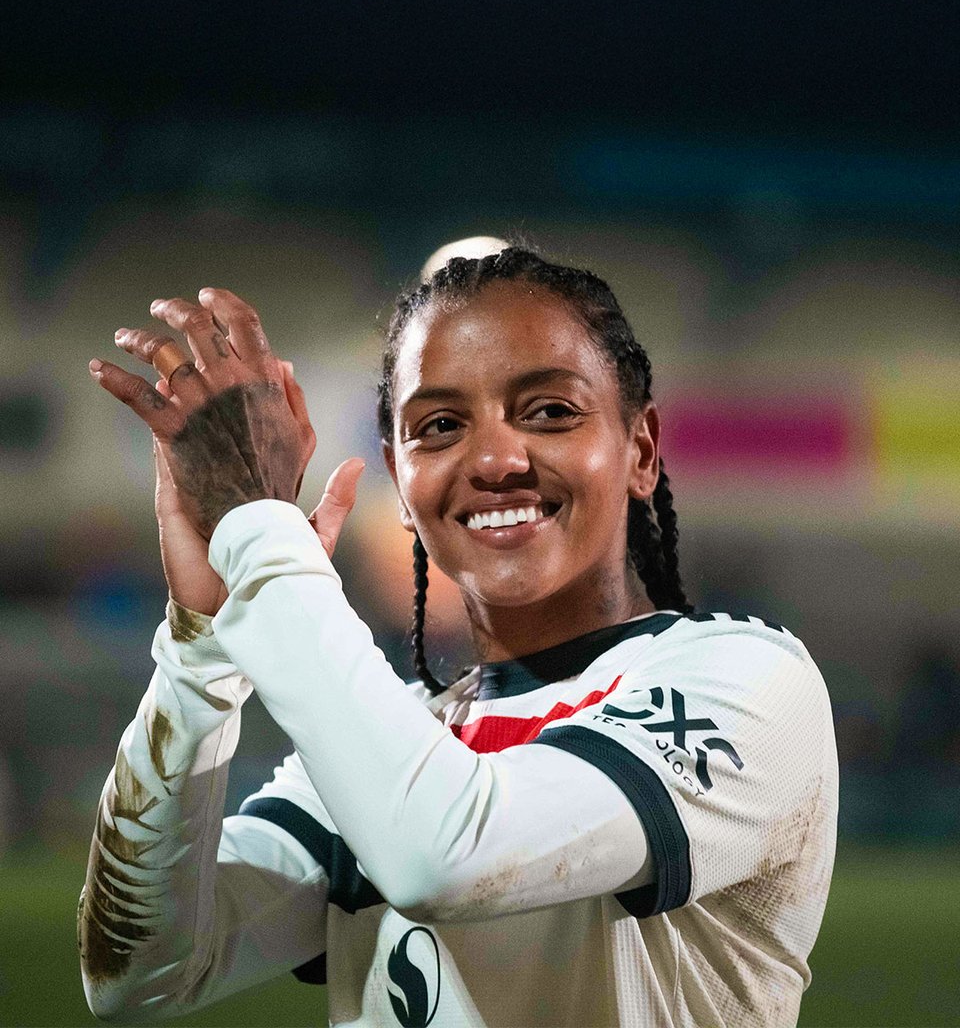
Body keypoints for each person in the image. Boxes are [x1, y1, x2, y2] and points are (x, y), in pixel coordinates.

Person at [79, 248, 837, 1028]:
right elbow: (138, 975)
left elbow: (446, 855)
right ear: (399, 486)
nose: (497, 460)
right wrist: (202, 647)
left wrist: (263, 532)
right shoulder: (392, 742)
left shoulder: (747, 679)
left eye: (549, 412)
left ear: (641, 451)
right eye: (439, 426)